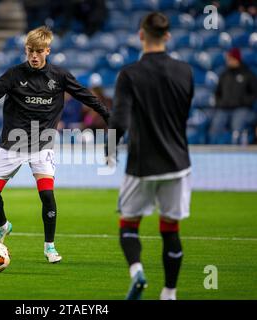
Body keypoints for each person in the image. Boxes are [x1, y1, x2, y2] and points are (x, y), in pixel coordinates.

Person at [0, 26, 109, 263]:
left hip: (42, 144)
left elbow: (85, 96)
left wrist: (106, 114)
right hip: (12, 144)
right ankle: (4, 226)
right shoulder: (14, 74)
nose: (34, 56)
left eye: (38, 51)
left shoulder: (59, 76)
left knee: (47, 195)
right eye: (30, 51)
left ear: (47, 50)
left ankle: (49, 246)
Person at [107, 12, 194, 300]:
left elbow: (119, 121)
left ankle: (137, 272)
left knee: (128, 224)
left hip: (142, 164)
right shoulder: (186, 71)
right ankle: (169, 293)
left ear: (141, 35)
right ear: (167, 36)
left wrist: (109, 151)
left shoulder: (129, 74)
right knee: (170, 228)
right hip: (178, 163)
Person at [209, 48, 257, 144]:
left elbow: (254, 93)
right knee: (216, 125)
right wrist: (219, 103)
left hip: (241, 108)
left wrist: (243, 102)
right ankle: (214, 152)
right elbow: (217, 92)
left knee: (237, 125)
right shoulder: (224, 74)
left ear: (236, 59)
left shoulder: (248, 74)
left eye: (230, 58)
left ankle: (236, 152)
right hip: (224, 108)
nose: (228, 61)